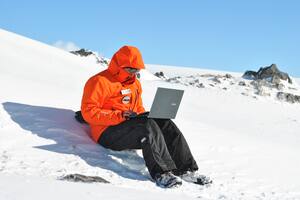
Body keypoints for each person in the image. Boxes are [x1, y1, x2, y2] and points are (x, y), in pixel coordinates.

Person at [81, 45, 211, 188]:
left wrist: (145, 115)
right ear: (119, 65)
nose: (134, 73)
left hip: (128, 125)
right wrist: (119, 115)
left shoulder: (135, 84)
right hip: (106, 132)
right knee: (146, 127)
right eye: (130, 69)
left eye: (136, 69)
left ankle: (185, 170)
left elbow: (137, 108)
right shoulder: (99, 81)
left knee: (164, 122)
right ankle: (162, 173)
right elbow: (88, 112)